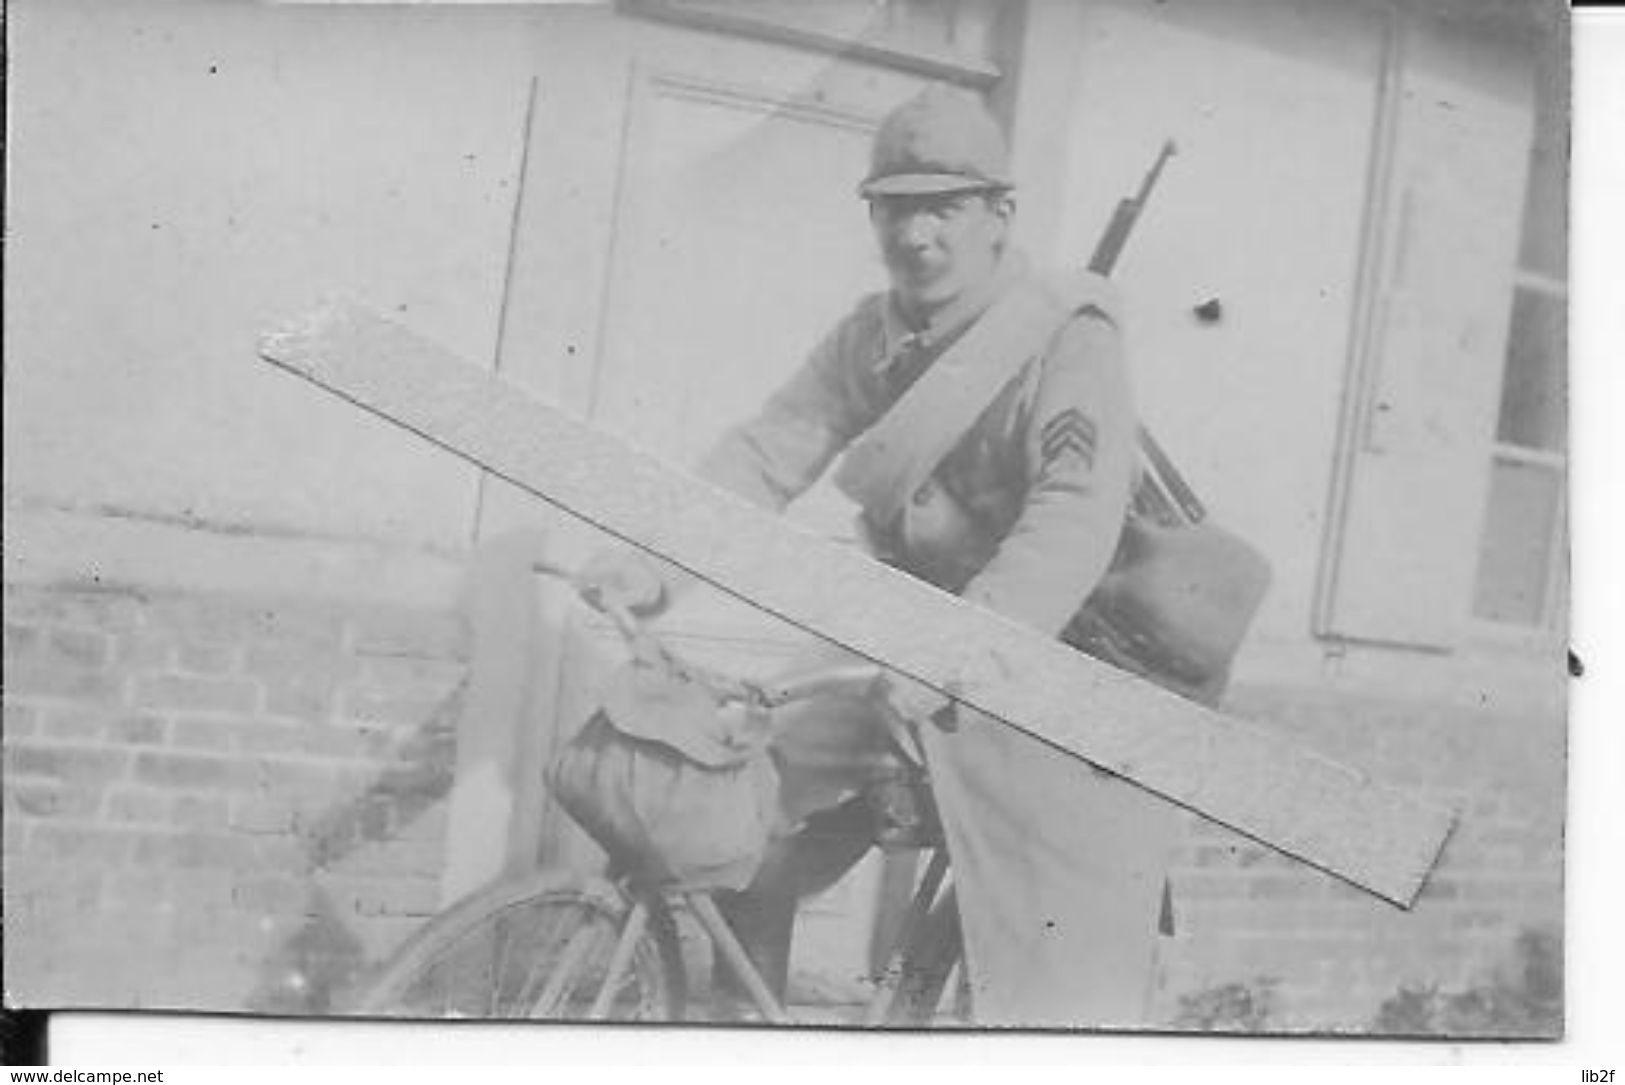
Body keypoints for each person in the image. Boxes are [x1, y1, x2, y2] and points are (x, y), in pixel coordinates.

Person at [583, 85, 1181, 1027]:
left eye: (942, 206)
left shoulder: (1066, 340)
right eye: (895, 207)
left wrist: (951, 656)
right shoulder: (870, 338)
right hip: (897, 655)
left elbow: (1071, 518)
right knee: (747, 800)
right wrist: (648, 563)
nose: (917, 236)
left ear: (998, 215)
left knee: (1050, 958)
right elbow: (763, 453)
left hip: (1040, 663)